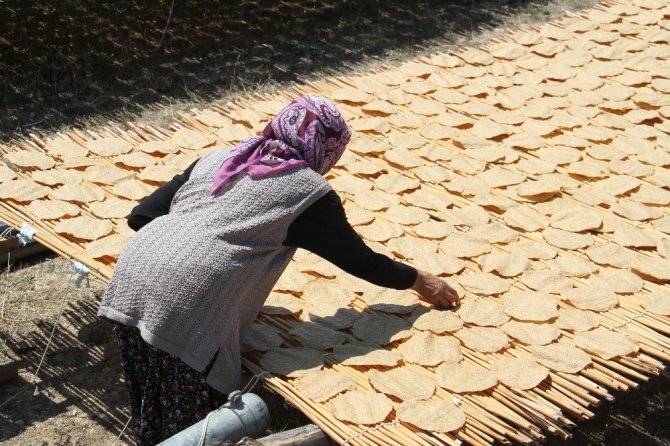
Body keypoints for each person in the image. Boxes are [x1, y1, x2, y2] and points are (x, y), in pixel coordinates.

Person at [98, 95, 460, 445]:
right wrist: (421, 281)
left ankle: (152, 434)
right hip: (186, 301)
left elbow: (140, 216)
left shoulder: (221, 158)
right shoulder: (308, 193)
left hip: (131, 277)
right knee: (193, 416)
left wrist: (182, 240)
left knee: (152, 373)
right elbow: (360, 261)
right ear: (326, 150)